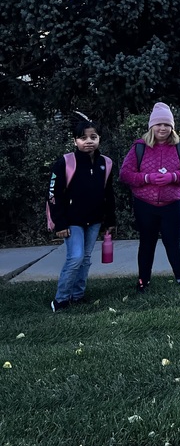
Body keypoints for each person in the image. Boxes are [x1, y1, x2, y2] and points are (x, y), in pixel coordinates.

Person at [120, 102, 180, 291]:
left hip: (172, 203)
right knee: (146, 243)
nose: (162, 128)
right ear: (151, 126)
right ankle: (143, 280)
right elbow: (125, 174)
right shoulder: (139, 148)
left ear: (172, 127)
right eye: (158, 124)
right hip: (145, 204)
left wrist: (173, 177)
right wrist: (147, 178)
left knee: (173, 243)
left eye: (166, 125)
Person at [47, 112, 116, 311]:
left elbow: (108, 193)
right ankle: (60, 300)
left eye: (93, 137)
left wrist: (109, 221)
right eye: (83, 138)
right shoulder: (64, 163)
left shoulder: (106, 163)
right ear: (75, 140)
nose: (88, 141)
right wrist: (59, 223)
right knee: (75, 257)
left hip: (94, 220)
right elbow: (53, 195)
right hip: (71, 221)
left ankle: (78, 295)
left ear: (99, 138)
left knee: (85, 259)